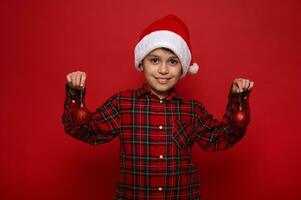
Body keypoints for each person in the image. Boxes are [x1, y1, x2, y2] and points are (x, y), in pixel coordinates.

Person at [62, 15, 254, 200]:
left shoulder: (192, 110)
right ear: (141, 63)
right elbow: (84, 131)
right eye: (154, 60)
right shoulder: (123, 104)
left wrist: (238, 100)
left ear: (183, 68)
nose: (163, 70)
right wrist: (75, 95)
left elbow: (222, 137)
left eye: (172, 61)